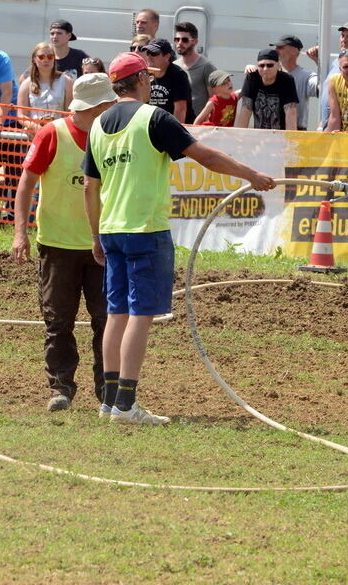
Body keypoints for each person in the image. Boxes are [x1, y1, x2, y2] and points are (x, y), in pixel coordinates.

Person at [83, 52, 275, 424]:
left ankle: (109, 402)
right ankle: (126, 405)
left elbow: (90, 187)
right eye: (148, 77)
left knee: (116, 312)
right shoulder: (153, 118)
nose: (152, 82)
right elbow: (204, 155)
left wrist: (95, 234)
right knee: (141, 314)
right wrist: (250, 174)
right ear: (140, 80)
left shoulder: (98, 124)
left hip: (111, 229)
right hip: (146, 228)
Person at [12, 73, 116, 412]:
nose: (114, 107)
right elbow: (26, 182)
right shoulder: (52, 133)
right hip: (57, 245)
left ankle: (108, 390)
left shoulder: (112, 137)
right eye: (109, 103)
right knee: (58, 321)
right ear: (97, 106)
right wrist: (20, 232)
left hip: (103, 246)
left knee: (106, 320)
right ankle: (60, 387)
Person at [17, 41, 73, 140]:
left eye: (50, 57)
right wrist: (36, 127)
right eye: (41, 57)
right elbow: (21, 115)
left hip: (59, 135)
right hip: (34, 136)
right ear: (34, 59)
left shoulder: (66, 81)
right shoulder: (26, 84)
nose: (46, 60)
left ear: (54, 59)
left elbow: (70, 112)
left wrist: (56, 129)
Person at [235, 48, 298, 130]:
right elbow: (246, 110)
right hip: (259, 137)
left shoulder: (287, 80)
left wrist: (290, 140)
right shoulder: (252, 78)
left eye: (270, 65)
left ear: (278, 65)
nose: (265, 69)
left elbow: (291, 112)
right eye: (261, 65)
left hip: (280, 137)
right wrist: (241, 137)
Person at [274, 35, 318, 131]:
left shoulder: (307, 76)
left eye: (280, 47)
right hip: (271, 133)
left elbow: (323, 89)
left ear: (294, 51)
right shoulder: (270, 73)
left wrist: (319, 61)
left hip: (296, 133)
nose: (276, 50)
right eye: (275, 47)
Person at [173, 22, 215, 123]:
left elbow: (214, 99)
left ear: (195, 41)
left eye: (184, 40)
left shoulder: (207, 66)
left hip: (198, 126)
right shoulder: (174, 66)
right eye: (177, 39)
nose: (179, 43)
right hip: (178, 123)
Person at [142, 38, 190, 121]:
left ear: (167, 56)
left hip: (171, 125)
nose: (149, 56)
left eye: (154, 53)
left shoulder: (178, 75)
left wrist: (175, 132)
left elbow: (180, 109)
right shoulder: (144, 74)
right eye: (148, 53)